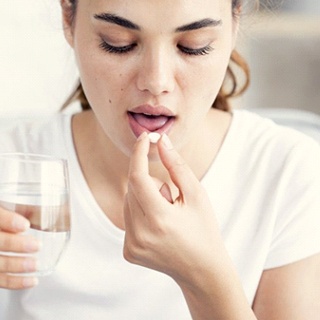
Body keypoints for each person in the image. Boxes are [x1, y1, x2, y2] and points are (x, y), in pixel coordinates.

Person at [0, 0, 319, 319]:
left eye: (193, 46)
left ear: (235, 23)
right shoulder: (11, 162)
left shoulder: (290, 175)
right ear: (68, 18)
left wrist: (203, 277)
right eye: (118, 43)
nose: (156, 82)